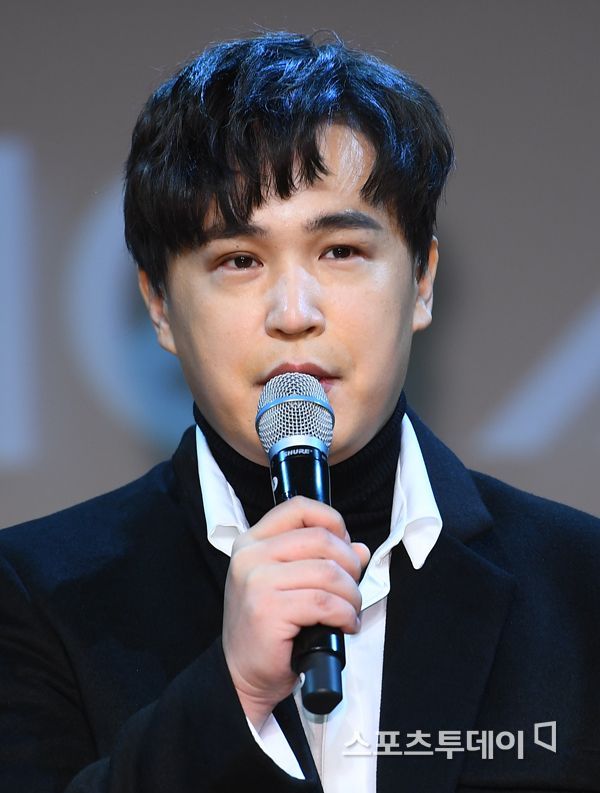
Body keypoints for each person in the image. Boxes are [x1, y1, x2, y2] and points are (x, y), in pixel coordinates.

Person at [0, 30, 598, 793]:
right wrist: (231, 693)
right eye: (239, 260)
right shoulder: (35, 594)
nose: (293, 312)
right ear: (159, 304)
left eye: (340, 251)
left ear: (421, 280)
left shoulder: (581, 585)